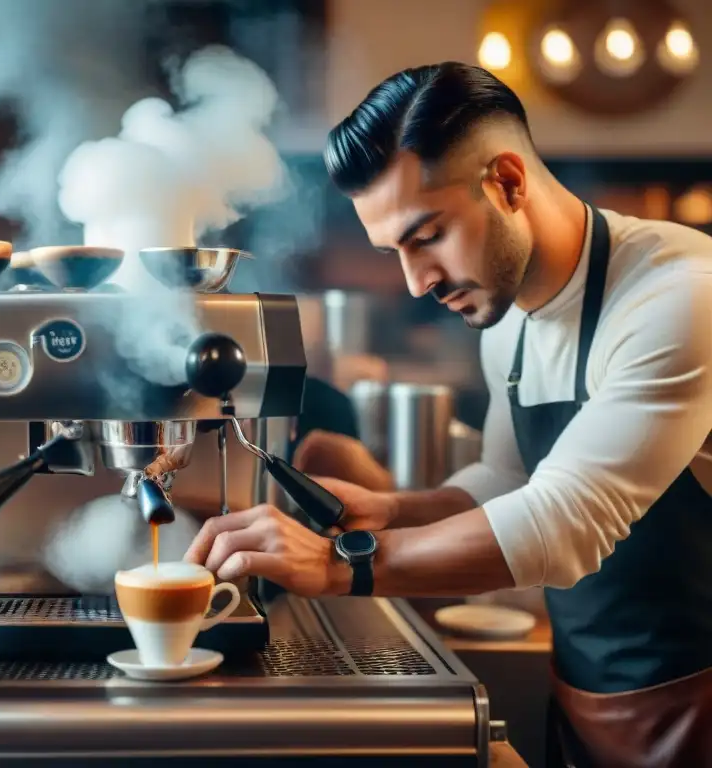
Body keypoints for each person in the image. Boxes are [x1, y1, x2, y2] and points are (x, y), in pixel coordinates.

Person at [183, 62, 712, 767]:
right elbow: (507, 476)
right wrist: (388, 510)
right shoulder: (510, 322)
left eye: (426, 235)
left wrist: (342, 565)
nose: (416, 281)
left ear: (508, 183)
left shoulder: (679, 299)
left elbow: (565, 520)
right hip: (589, 700)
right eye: (394, 251)